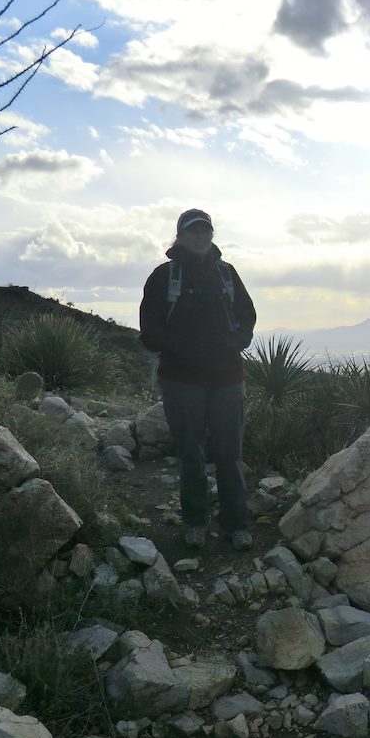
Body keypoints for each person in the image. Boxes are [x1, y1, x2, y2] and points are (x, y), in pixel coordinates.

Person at [139, 208, 257, 550]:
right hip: (182, 379)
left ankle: (236, 524)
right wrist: (182, 348)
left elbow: (247, 316)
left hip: (227, 376)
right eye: (193, 231)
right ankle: (196, 521)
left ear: (211, 234)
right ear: (180, 236)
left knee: (229, 454)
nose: (200, 236)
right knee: (191, 454)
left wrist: (233, 342)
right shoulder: (164, 277)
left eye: (205, 230)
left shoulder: (226, 273)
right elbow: (149, 330)